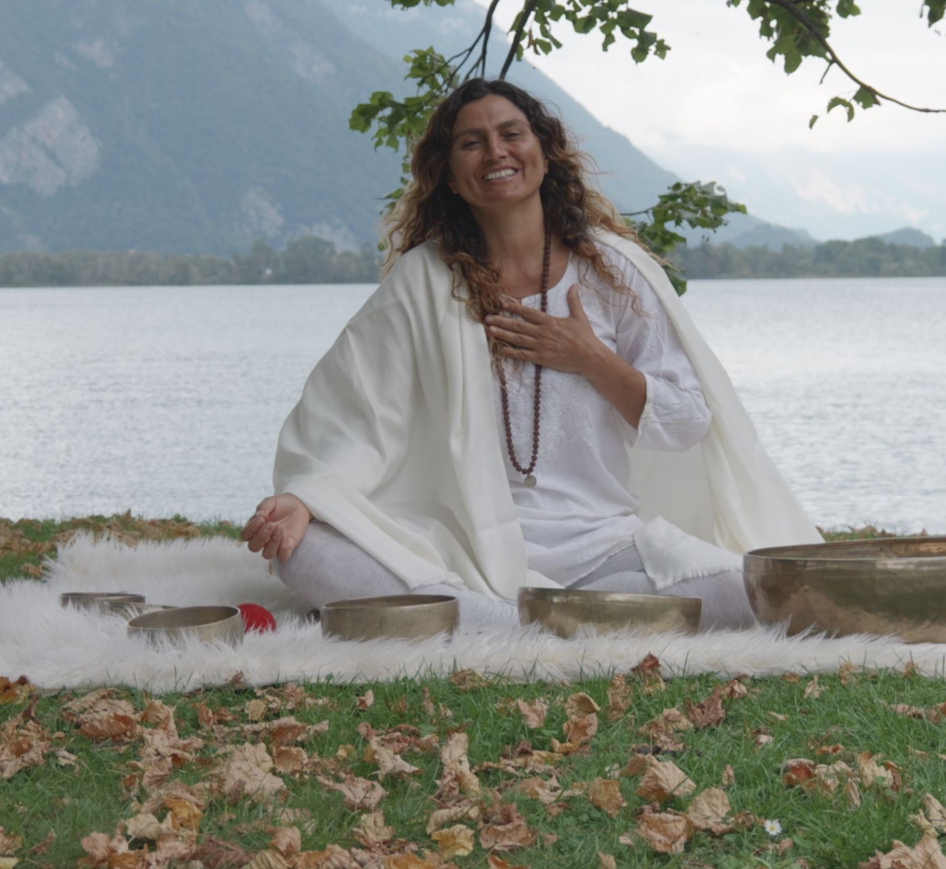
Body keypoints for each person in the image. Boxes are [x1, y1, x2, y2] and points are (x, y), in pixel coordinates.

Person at [241, 78, 819, 631]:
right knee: (301, 550)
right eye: (472, 142)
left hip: (602, 546)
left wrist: (591, 358)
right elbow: (354, 417)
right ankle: (557, 623)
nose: (496, 151)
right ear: (449, 176)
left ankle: (483, 625)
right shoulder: (424, 282)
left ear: (545, 153)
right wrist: (308, 497)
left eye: (511, 134)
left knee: (744, 591)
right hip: (458, 546)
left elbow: (687, 420)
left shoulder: (612, 272)